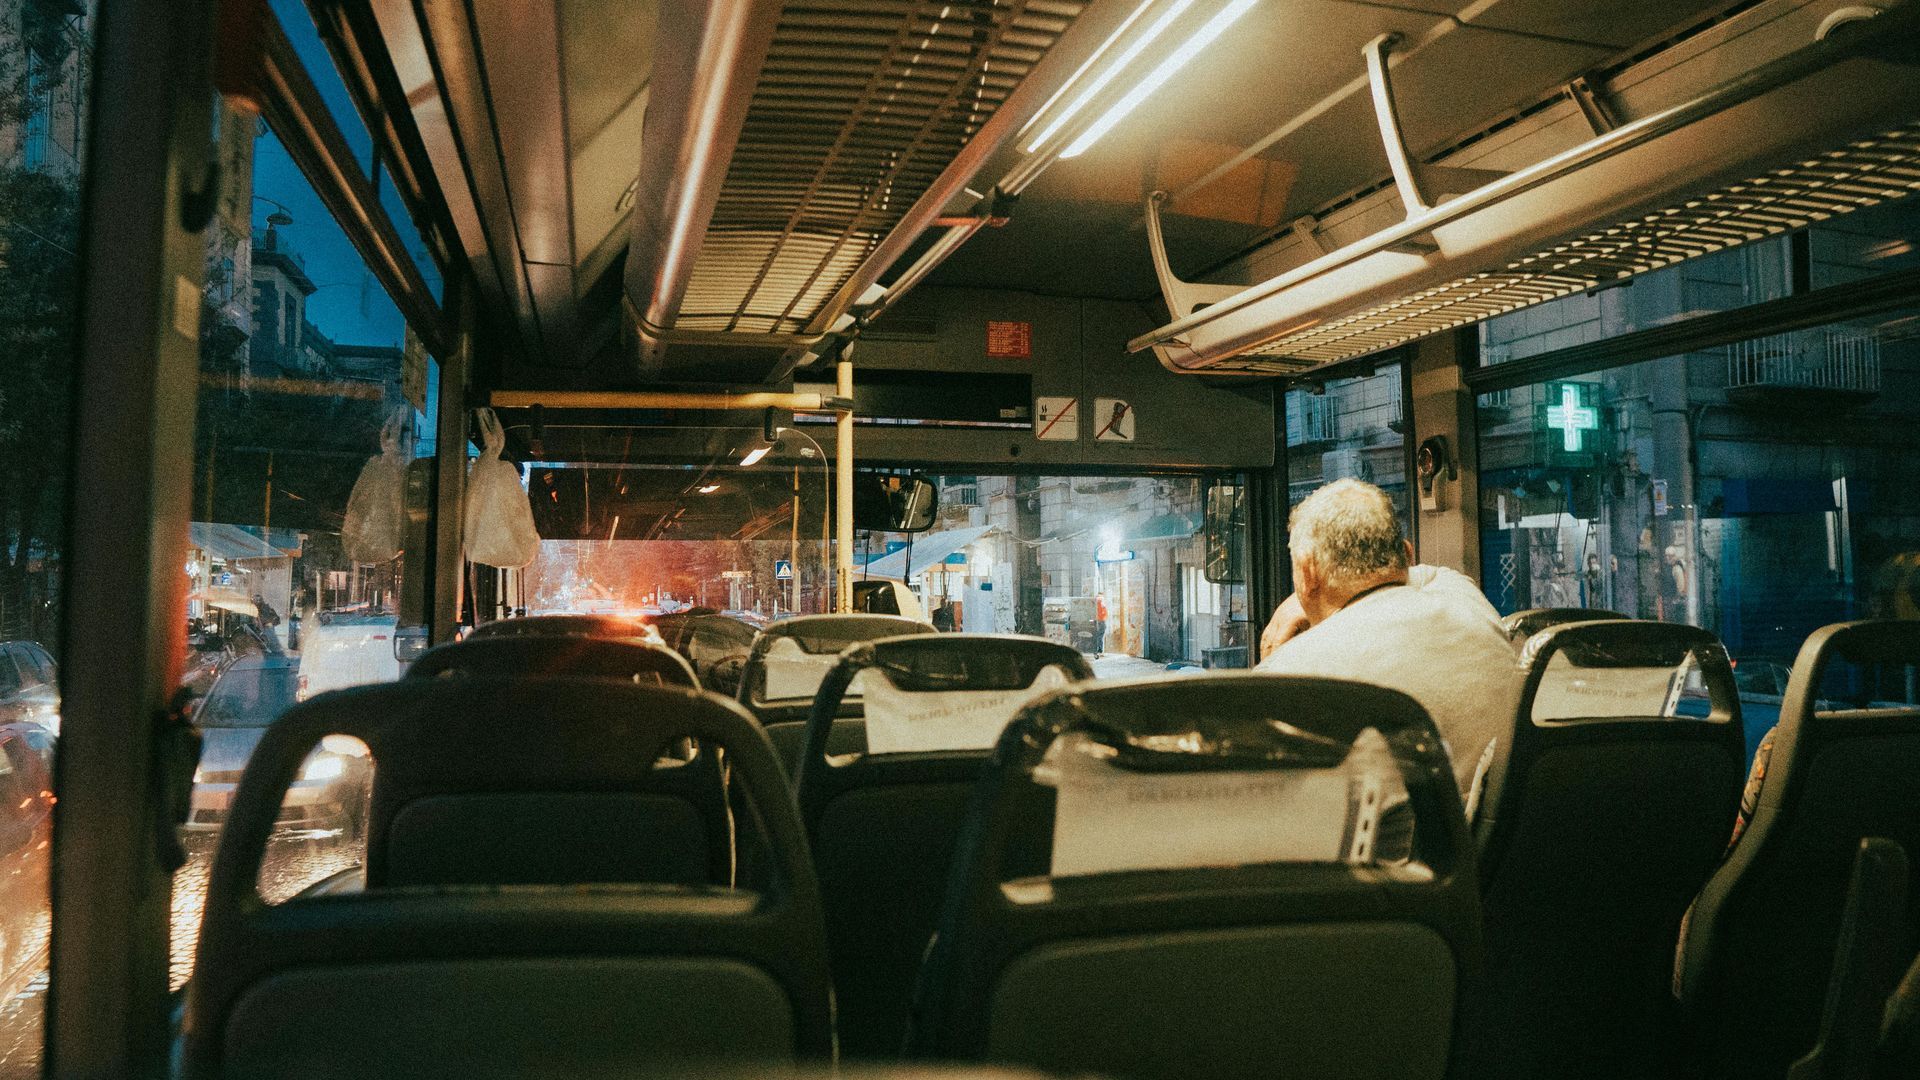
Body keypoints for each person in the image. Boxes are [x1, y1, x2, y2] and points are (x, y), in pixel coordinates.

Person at [1257, 478, 1520, 800]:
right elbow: (1427, 572)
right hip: (1498, 835)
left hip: (1391, 850)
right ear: (1407, 554)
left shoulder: (1287, 671)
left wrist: (1289, 620)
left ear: (1308, 572)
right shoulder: (1460, 592)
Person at [1092, 594, 1109, 659]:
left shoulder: (1099, 603)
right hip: (1101, 622)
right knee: (1100, 636)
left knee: (1098, 636)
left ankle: (1098, 650)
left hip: (1099, 621)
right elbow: (1104, 614)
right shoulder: (1102, 603)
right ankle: (1099, 650)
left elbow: (1101, 614)